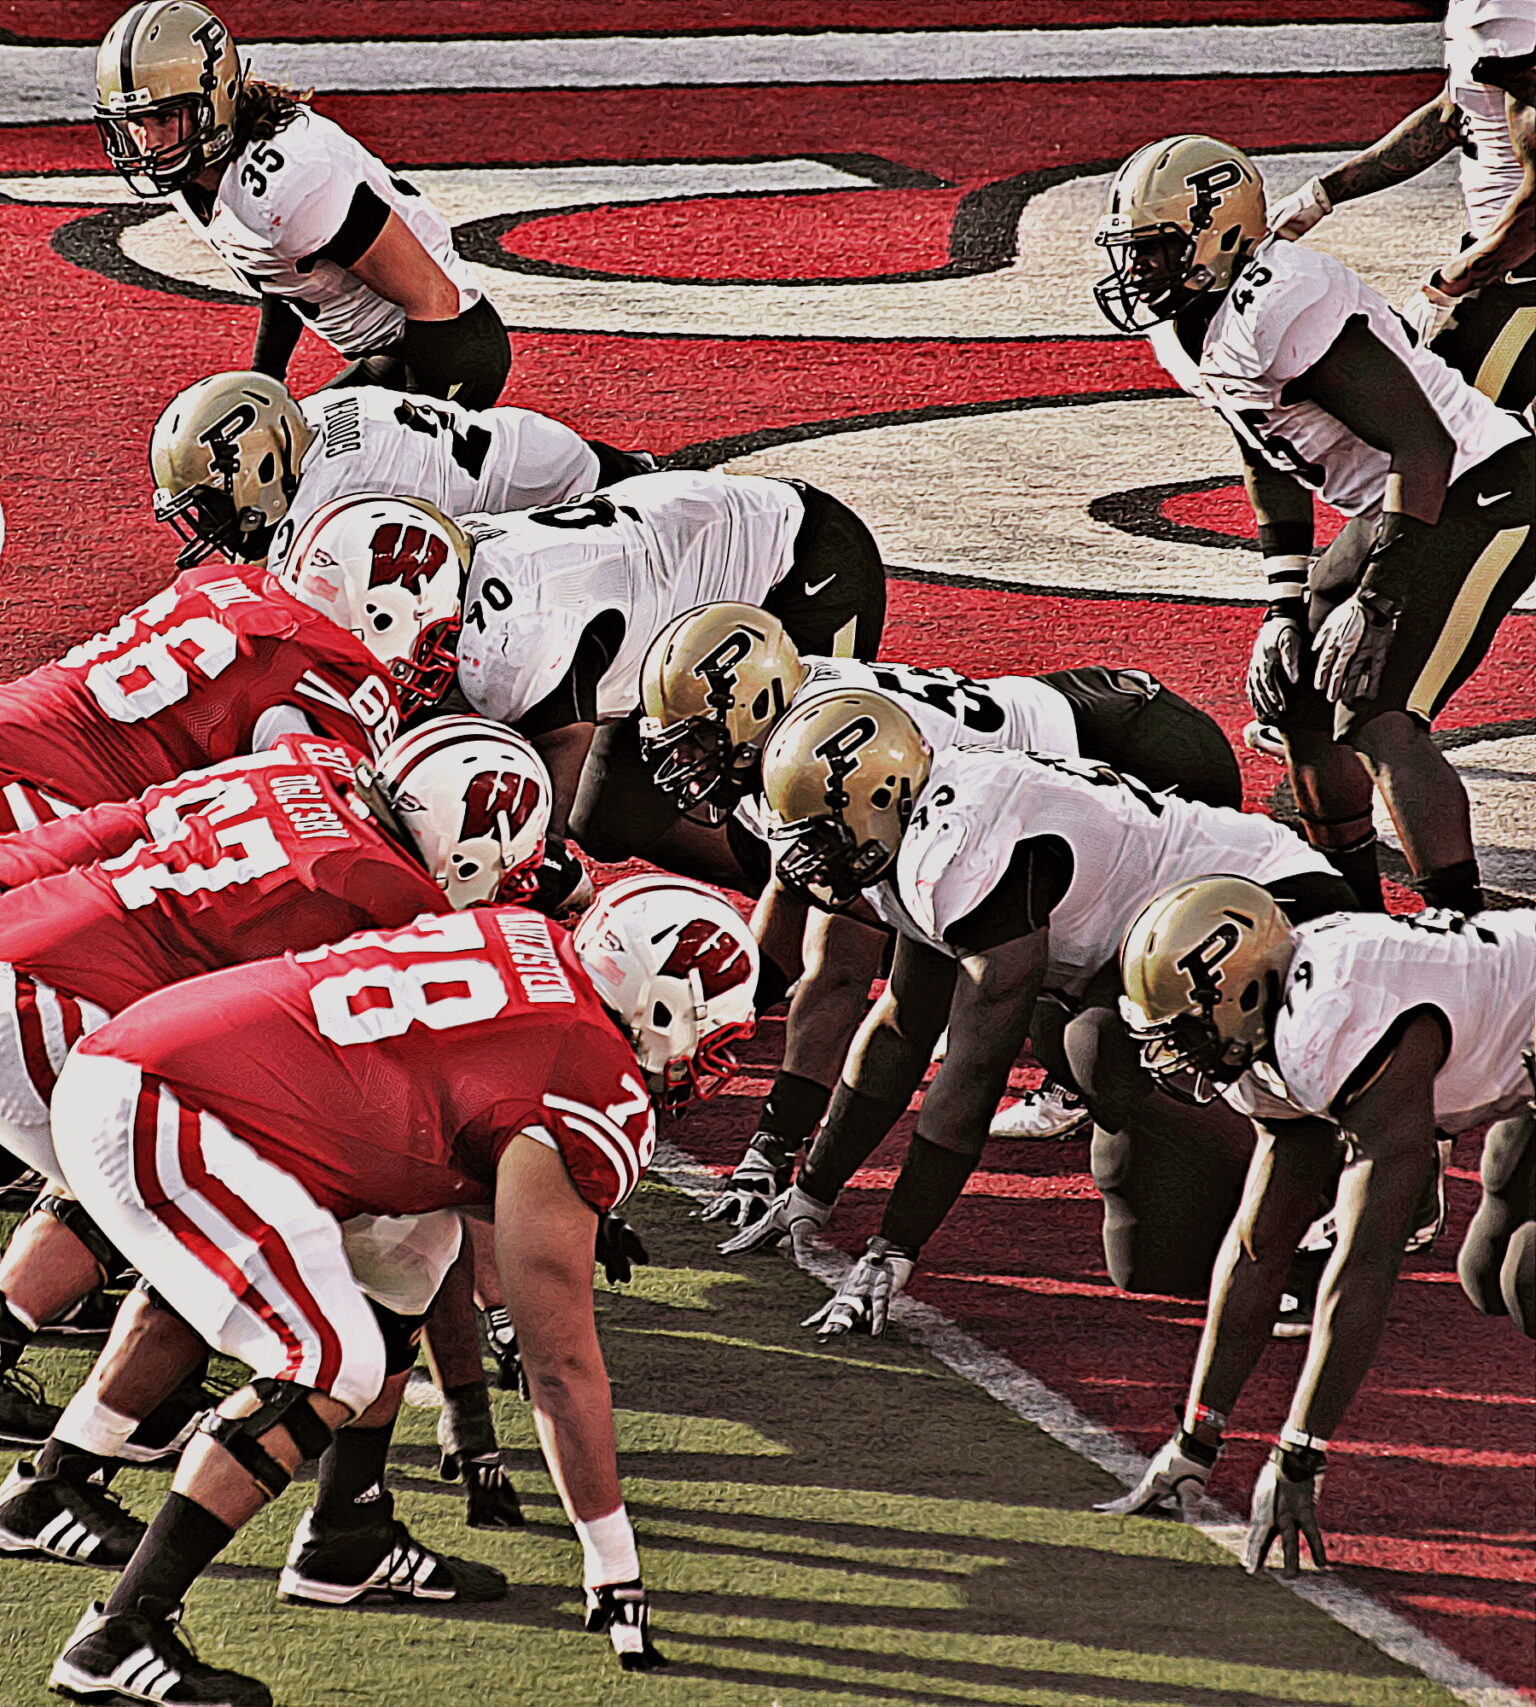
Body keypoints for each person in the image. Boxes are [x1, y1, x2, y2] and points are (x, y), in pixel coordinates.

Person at [36, 881, 758, 1703]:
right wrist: (612, 1554)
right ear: (660, 1005)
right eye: (711, 1034)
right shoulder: (588, 1080)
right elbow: (558, 1363)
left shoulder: (524, 935)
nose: (711, 1061)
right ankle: (121, 1631)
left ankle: (346, 1533)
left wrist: (551, 1199)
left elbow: (457, 1114)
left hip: (152, 1063)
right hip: (175, 1111)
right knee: (329, 1362)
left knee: (414, 1244)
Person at [0, 719, 545, 1482]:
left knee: (173, 1135)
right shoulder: (387, 897)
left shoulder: (309, 767)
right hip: (39, 1000)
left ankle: (74, 1377)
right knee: (197, 1164)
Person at [724, 690, 1348, 1323]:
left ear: (882, 797)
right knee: (1150, 1261)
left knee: (1099, 1045)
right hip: (1150, 942)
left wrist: (894, 1247)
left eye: (821, 831)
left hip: (1265, 904)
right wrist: (812, 1192)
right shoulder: (911, 838)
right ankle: (1271, 1182)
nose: (807, 854)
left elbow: (972, 1072)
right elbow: (903, 1027)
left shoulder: (963, 845)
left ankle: (1323, 1179)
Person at [633, 601, 1241, 1184]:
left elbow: (838, 974)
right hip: (1074, 752)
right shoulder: (787, 734)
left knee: (1075, 1016)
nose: (682, 760)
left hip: (1142, 759)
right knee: (984, 955)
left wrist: (775, 1142)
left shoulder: (824, 755)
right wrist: (715, 1014)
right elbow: (790, 897)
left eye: (694, 739)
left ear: (750, 706)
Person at [0, 550, 404, 1206]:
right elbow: (298, 803)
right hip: (6, 809)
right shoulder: (324, 672)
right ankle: (70, 1194)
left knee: (151, 890)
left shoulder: (222, 583)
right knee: (200, 915)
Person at [1096, 134, 1536, 917]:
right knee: (1297, 698)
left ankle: (1465, 936)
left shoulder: (1282, 300)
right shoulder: (1188, 324)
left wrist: (1379, 600)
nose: (1141, 273)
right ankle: (1351, 916)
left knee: (1375, 713)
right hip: (1401, 503)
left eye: (1158, 251)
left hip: (1481, 488)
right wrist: (1281, 606)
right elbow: (1264, 446)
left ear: (1220, 233)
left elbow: (1422, 443)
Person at [1100, 881, 1536, 1574]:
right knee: (1489, 1276)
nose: (1173, 1055)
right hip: (1515, 1058)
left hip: (1520, 1041)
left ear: (1240, 993)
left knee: (1528, 1280)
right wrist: (1196, 1439)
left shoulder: (1336, 1016)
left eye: (1185, 1029)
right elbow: (1259, 1244)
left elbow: (1364, 1261)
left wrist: (1299, 1454)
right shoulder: (1278, 1029)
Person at [276, 476, 887, 890]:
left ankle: (849, 927)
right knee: (615, 814)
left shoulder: (521, 624)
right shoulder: (453, 584)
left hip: (797, 570)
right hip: (673, 602)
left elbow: (541, 837)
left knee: (798, 790)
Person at [93, 1, 509, 406]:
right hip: (392, 356)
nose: (148, 143)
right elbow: (282, 272)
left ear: (217, 99)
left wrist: (419, 435)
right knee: (259, 455)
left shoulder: (290, 182)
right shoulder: (198, 175)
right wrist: (262, 389)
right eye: (133, 123)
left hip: (449, 350)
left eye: (164, 119)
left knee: (319, 470)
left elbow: (434, 297)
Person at [1270, 0, 1536, 414]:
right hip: (1501, 260)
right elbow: (1457, 112)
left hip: (1520, 271)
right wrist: (1321, 195)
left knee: (1463, 438)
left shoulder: (1509, 13)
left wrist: (1452, 284)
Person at [145, 371, 611, 572]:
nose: (208, 523)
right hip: (535, 445)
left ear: (260, 463)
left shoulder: (326, 502)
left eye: (209, 504)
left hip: (558, 502)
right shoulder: (314, 415)